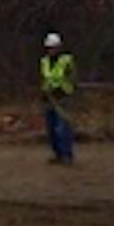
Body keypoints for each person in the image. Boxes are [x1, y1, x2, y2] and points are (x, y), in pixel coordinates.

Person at [39, 31, 79, 164]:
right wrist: (43, 92)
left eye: (53, 47)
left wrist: (65, 89)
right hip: (49, 98)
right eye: (49, 48)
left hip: (63, 98)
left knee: (63, 128)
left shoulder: (67, 60)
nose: (51, 50)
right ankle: (58, 154)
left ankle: (67, 154)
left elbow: (73, 78)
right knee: (51, 129)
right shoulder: (44, 62)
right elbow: (45, 79)